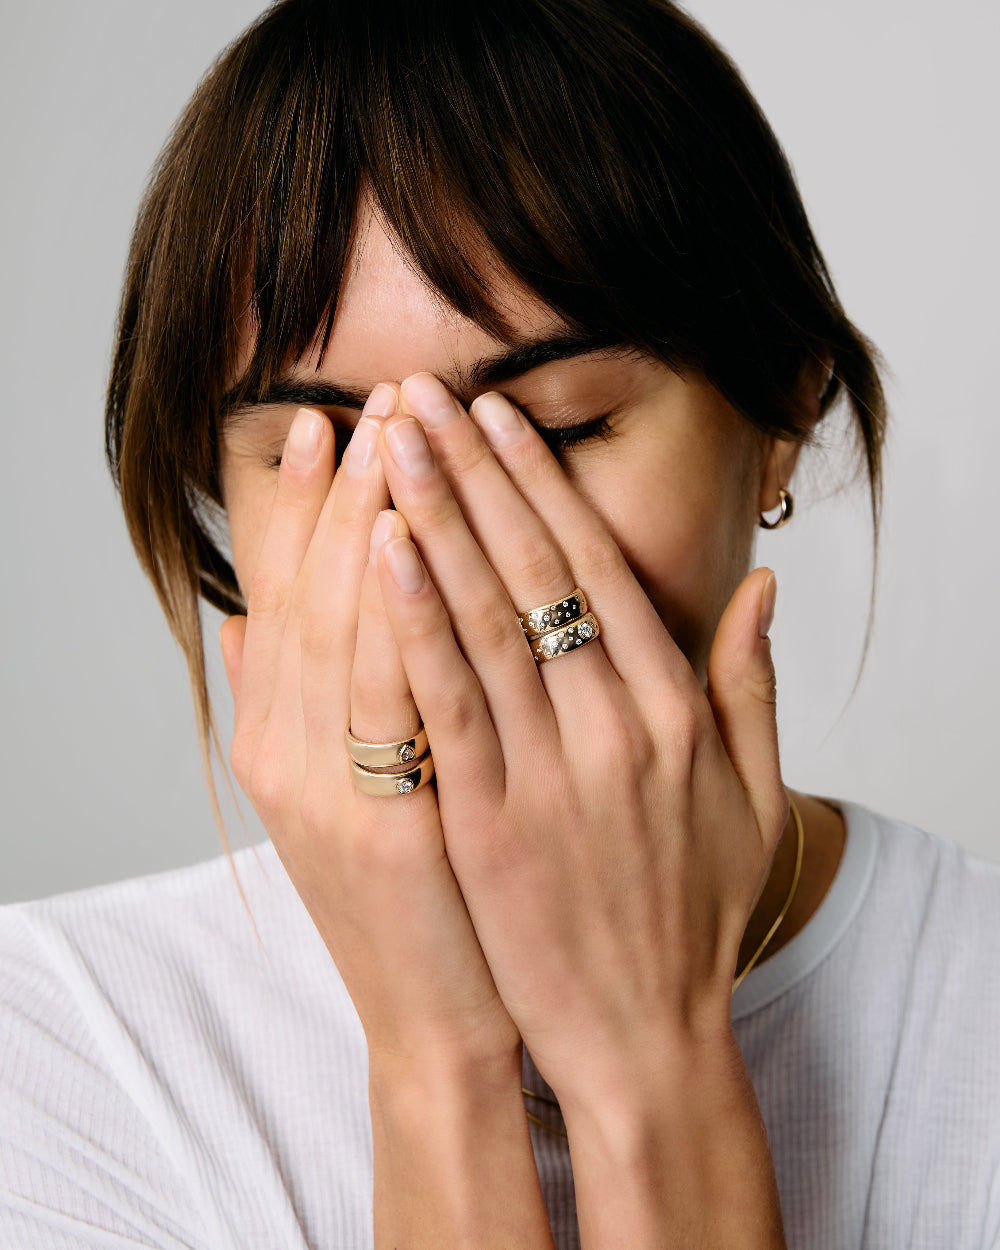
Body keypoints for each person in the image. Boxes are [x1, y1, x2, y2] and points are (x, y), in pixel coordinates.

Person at [2, 0, 999, 1246]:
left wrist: (649, 1065)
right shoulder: (51, 1048)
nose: (439, 548)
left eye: (560, 427)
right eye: (326, 447)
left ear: (782, 418)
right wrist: (436, 1066)